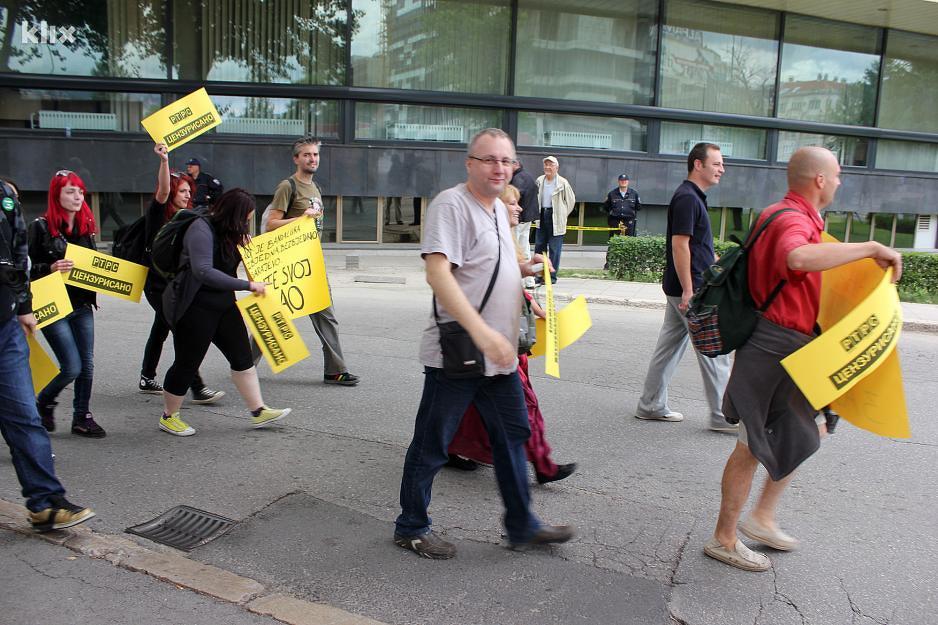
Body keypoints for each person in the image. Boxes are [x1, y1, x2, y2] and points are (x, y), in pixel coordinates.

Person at [704, 147, 902, 572]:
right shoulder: (793, 219)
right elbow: (798, 258)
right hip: (774, 345)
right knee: (750, 445)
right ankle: (725, 537)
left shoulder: (787, 213)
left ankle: (761, 517)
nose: (839, 182)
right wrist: (869, 247)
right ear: (819, 180)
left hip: (789, 344)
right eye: (837, 175)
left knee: (808, 429)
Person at [393, 129, 574, 560]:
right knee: (432, 443)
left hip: (500, 356)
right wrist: (483, 332)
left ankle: (521, 525)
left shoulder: (496, 209)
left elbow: (498, 262)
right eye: (489, 159)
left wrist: (529, 267)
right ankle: (411, 526)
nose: (499, 168)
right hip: (458, 352)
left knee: (513, 435)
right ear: (470, 163)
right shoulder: (450, 205)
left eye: (506, 161)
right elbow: (438, 274)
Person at [446, 184, 576, 485]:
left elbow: (510, 285)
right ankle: (542, 466)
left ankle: (449, 445)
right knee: (522, 404)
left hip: (506, 337)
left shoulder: (507, 241)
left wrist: (533, 301)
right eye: (511, 203)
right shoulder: (487, 242)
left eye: (518, 203)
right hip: (494, 339)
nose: (518, 208)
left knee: (471, 402)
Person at [0, 178, 96, 531]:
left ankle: (45, 502)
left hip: (5, 326)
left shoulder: (6, 197)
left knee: (25, 415)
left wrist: (23, 305)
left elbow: (18, 254)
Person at [158, 189, 290, 436]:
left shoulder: (232, 232)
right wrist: (247, 285)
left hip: (224, 305)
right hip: (194, 306)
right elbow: (204, 271)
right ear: (233, 215)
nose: (246, 223)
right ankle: (169, 416)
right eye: (245, 218)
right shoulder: (201, 228)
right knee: (187, 363)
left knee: (241, 357)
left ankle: (258, 411)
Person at [634, 143, 734, 432]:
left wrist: (717, 264)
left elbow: (698, 246)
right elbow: (680, 245)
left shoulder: (694, 197)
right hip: (690, 290)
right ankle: (723, 415)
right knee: (714, 350)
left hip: (683, 287)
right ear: (698, 165)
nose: (721, 169)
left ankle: (650, 405)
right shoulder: (687, 198)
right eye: (716, 163)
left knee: (669, 348)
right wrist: (690, 290)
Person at [265, 136, 360, 387]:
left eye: (315, 155)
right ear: (296, 158)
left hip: (312, 262)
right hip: (291, 265)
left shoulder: (315, 188)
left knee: (326, 316)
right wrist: (300, 219)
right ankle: (242, 364)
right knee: (277, 317)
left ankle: (335, 370)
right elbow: (271, 224)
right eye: (307, 155)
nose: (312, 159)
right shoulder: (288, 186)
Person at [138, 143, 224, 404]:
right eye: (183, 191)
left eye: (190, 191)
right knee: (181, 329)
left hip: (173, 284)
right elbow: (163, 190)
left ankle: (146, 376)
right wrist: (164, 161)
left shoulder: (186, 217)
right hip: (156, 285)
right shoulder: (158, 215)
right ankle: (196, 385)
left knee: (161, 328)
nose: (188, 195)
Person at [28, 170, 105, 438]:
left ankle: (82, 416)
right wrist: (49, 267)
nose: (77, 196)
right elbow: (24, 268)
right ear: (56, 194)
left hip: (82, 304)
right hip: (54, 304)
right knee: (71, 366)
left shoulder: (86, 227)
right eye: (70, 191)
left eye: (80, 191)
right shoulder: (40, 226)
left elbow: (93, 264)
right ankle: (44, 400)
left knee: (87, 364)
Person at [534, 156, 576, 284]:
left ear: (556, 168)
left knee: (554, 249)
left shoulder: (563, 183)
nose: (548, 167)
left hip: (555, 217)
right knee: (539, 247)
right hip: (542, 215)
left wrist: (562, 215)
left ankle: (551, 277)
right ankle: (539, 276)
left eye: (550, 165)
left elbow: (571, 201)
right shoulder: (539, 181)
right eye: (546, 165)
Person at [602, 173, 642, 270]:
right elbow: (606, 207)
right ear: (618, 181)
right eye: (621, 180)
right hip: (615, 221)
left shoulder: (634, 193)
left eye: (625, 181)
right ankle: (609, 264)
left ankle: (628, 264)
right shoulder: (612, 194)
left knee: (629, 243)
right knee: (613, 242)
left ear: (628, 182)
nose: (623, 182)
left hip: (629, 222)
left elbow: (639, 207)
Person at [510, 160, 538, 288]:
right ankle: (529, 280)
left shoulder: (517, 178)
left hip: (519, 218)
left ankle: (520, 280)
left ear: (516, 165)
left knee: (516, 248)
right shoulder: (528, 176)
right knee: (524, 246)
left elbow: (516, 197)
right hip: (527, 218)